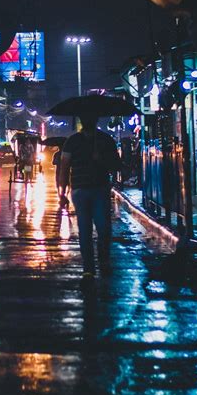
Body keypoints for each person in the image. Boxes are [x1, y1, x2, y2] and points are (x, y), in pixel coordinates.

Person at [59, 115, 121, 280]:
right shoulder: (73, 141)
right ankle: (89, 267)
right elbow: (64, 168)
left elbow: (116, 164)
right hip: (81, 191)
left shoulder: (104, 140)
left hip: (99, 189)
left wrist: (102, 160)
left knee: (102, 228)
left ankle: (102, 261)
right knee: (87, 229)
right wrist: (62, 193)